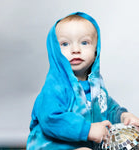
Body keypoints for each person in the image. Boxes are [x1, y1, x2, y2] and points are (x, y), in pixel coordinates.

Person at [27, 12, 139, 150]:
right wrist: (88, 130)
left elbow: (107, 109)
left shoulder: (96, 86)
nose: (75, 50)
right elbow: (50, 119)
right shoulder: (55, 88)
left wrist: (123, 116)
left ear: (96, 50)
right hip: (52, 146)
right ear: (55, 51)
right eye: (65, 44)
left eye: (84, 42)